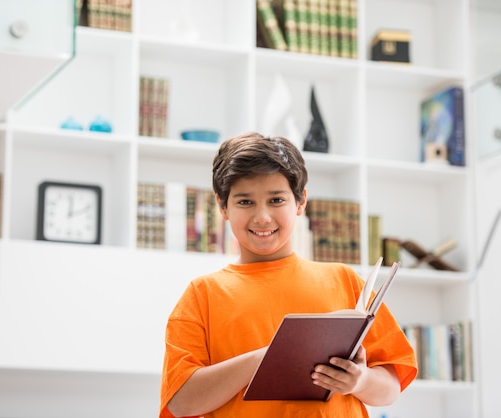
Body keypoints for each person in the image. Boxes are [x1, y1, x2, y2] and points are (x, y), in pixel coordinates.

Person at [159, 132, 417, 418]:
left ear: (301, 202)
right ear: (222, 207)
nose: (262, 217)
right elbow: (180, 402)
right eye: (245, 202)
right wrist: (270, 356)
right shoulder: (202, 294)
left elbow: (391, 386)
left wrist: (360, 380)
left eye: (276, 200)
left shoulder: (344, 280)